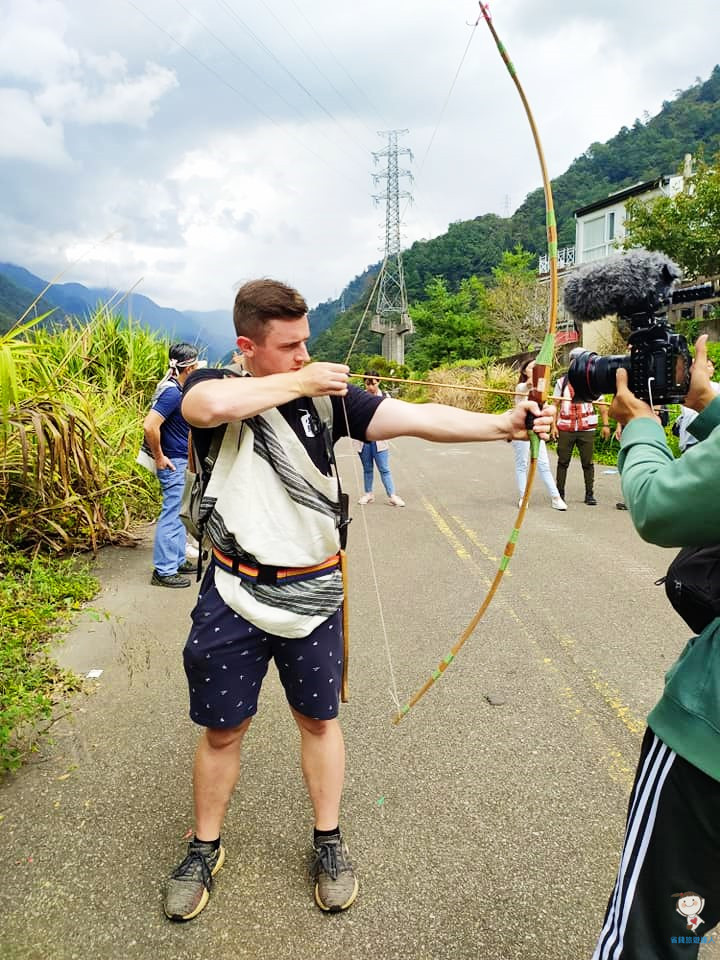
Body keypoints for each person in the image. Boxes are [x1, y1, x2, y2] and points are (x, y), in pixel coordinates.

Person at [162, 278, 555, 922]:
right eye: (289, 346)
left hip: (314, 589)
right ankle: (204, 846)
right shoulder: (214, 382)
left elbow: (419, 418)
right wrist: (303, 379)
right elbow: (204, 409)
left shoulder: (327, 401)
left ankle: (328, 840)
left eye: (306, 343)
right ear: (247, 346)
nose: (302, 355)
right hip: (232, 588)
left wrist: (502, 425)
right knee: (223, 730)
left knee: (319, 720)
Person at [592, 334, 720, 959]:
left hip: (709, 745)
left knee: (658, 930)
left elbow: (658, 505)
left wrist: (641, 428)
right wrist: (710, 406)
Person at [143, 342, 200, 588]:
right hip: (172, 463)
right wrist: (159, 456)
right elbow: (149, 425)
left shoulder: (175, 387)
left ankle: (177, 561)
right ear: (190, 367)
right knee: (172, 516)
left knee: (178, 513)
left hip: (179, 461)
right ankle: (164, 570)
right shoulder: (172, 393)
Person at [552, 346, 610, 505]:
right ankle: (560, 493)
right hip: (566, 427)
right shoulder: (561, 382)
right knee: (563, 462)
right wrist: (553, 426)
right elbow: (555, 405)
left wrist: (606, 425)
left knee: (588, 463)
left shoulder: (592, 382)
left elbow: (602, 404)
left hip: (587, 428)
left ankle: (589, 494)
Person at [512, 358, 566, 510]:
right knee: (522, 464)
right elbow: (526, 386)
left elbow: (545, 405)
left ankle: (556, 497)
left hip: (536, 431)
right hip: (522, 431)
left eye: (538, 367)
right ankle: (524, 497)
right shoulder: (521, 387)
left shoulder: (541, 390)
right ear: (524, 371)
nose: (535, 369)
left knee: (543, 464)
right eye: (532, 367)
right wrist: (534, 379)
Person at [354, 371, 405, 507]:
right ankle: (368, 494)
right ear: (364, 383)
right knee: (367, 468)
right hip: (363, 438)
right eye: (368, 383)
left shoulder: (385, 397)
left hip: (380, 439)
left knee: (384, 468)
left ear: (379, 382)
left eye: (374, 383)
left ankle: (392, 495)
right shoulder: (360, 397)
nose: (371, 387)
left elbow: (392, 415)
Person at [673, 357, 720, 453]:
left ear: (712, 371)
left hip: (705, 442)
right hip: (687, 443)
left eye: (708, 366)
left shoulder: (717, 387)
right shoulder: (685, 390)